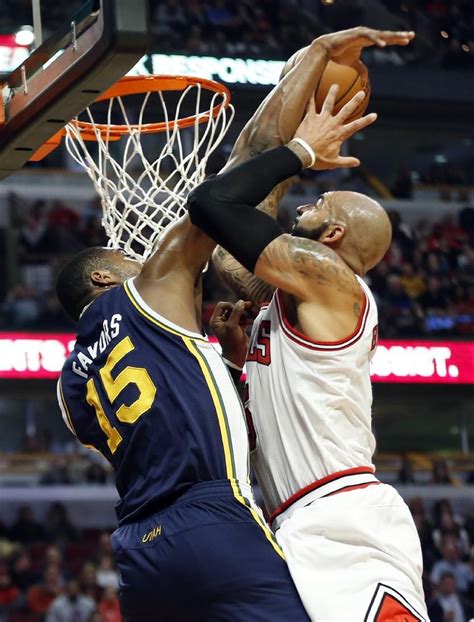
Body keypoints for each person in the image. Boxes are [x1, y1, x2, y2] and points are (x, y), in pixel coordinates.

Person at [55, 25, 387, 622]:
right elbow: (224, 190)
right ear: (108, 280)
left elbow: (164, 416)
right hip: (216, 518)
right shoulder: (150, 290)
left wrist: (225, 363)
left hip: (137, 547)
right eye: (126, 258)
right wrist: (304, 140)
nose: (141, 255)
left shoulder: (68, 385)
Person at [188, 31, 428, 622]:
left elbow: (215, 204)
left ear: (337, 237)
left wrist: (299, 152)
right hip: (295, 517)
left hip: (345, 521)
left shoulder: (329, 279)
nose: (303, 205)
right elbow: (247, 170)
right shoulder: (289, 292)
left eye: (320, 205)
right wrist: (311, 60)